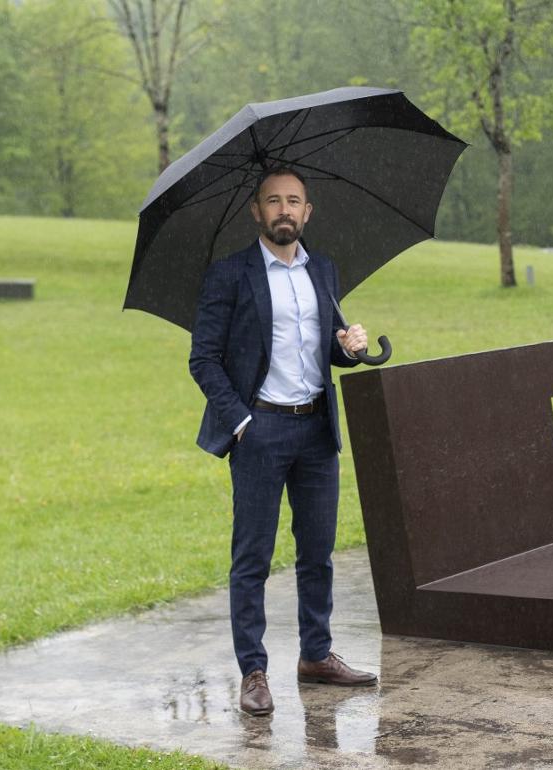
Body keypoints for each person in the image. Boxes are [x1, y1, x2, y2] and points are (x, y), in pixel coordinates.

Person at [188, 167, 379, 717]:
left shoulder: (323, 269)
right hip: (261, 431)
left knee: (317, 553)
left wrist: (351, 346)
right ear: (257, 211)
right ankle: (253, 670)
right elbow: (203, 359)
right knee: (252, 557)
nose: (284, 210)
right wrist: (242, 422)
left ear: (308, 211)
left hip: (317, 429)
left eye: (293, 201)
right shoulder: (230, 275)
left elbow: (330, 351)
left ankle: (315, 655)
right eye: (273, 201)